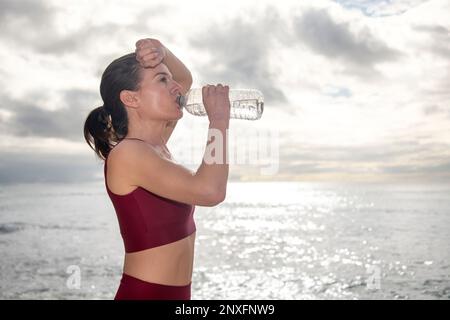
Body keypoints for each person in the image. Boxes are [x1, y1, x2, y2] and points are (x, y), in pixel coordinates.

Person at [83, 38, 230, 299]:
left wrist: (162, 50)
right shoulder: (128, 154)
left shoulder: (156, 146)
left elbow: (183, 78)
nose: (176, 88)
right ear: (131, 98)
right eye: (162, 80)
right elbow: (210, 191)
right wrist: (218, 120)